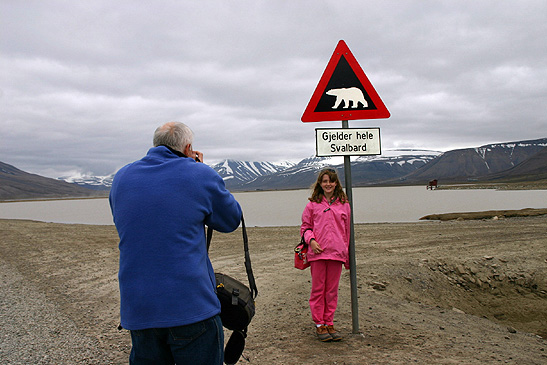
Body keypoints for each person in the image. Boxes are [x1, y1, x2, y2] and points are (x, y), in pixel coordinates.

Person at [109, 121, 242, 364]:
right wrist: (201, 169)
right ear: (189, 147)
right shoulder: (200, 174)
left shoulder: (121, 177)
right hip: (191, 307)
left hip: (138, 308)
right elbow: (231, 219)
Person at [300, 168, 351, 342]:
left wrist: (347, 257)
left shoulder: (344, 204)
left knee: (331, 291)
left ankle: (329, 322)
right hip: (318, 253)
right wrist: (311, 241)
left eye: (331, 181)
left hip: (337, 253)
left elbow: (347, 231)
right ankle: (319, 324)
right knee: (318, 290)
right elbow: (305, 227)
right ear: (320, 184)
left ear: (336, 183)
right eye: (324, 181)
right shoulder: (312, 205)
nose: (328, 184)